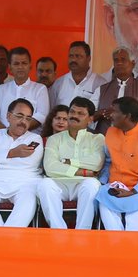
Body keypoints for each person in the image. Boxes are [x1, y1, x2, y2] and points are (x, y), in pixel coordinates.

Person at [95, 96, 138, 231]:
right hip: (114, 186)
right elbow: (108, 162)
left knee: (134, 227)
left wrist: (133, 191)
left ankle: (130, 242)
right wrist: (102, 182)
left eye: (115, 112)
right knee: (102, 195)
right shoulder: (110, 132)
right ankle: (116, 241)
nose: (111, 115)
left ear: (128, 116)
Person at [0, 98, 45, 228]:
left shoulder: (35, 139)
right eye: (19, 116)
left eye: (28, 118)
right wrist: (13, 153)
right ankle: (1, 236)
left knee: (28, 200)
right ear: (8, 116)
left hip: (24, 182)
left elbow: (29, 163)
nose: (23, 121)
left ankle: (7, 235)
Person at [37, 97, 104, 230]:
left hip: (83, 183)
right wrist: (82, 171)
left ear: (90, 119)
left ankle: (82, 233)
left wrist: (68, 161)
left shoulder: (97, 138)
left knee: (92, 185)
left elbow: (96, 163)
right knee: (45, 184)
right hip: (59, 183)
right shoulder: (54, 139)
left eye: (80, 113)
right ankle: (58, 232)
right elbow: (50, 167)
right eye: (72, 112)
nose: (74, 116)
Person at [93, 46, 138, 134]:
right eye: (116, 60)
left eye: (123, 60)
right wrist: (102, 113)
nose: (119, 63)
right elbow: (88, 114)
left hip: (133, 139)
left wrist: (125, 117)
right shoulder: (102, 89)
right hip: (105, 138)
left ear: (133, 63)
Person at [0, 47, 50, 132]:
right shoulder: (1, 89)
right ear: (10, 67)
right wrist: (7, 133)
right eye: (16, 64)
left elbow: (41, 116)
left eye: (24, 63)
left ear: (30, 66)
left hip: (30, 137)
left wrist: (18, 129)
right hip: (2, 137)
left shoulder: (40, 89)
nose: (20, 67)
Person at [52, 41, 107, 109]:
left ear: (88, 58)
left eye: (78, 56)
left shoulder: (101, 84)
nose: (73, 60)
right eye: (71, 56)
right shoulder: (58, 83)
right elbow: (52, 111)